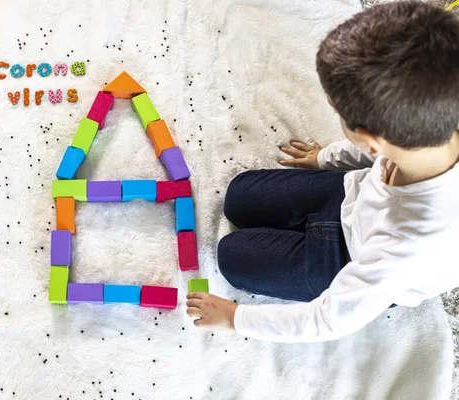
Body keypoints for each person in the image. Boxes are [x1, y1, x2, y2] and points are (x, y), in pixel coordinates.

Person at [186, 1, 459, 342]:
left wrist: (234, 318)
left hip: (344, 260)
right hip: (350, 196)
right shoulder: (424, 134)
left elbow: (327, 321)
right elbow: (369, 152)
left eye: (339, 115)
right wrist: (324, 159)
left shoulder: (404, 245)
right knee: (239, 195)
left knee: (231, 256)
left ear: (374, 140)